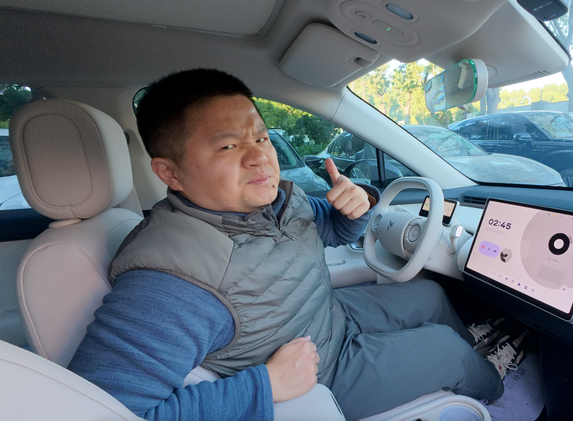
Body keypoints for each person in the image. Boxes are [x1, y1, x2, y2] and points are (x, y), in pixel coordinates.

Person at [68, 68, 505, 421]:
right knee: (448, 351)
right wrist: (263, 386)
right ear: (170, 173)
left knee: (430, 294)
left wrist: (354, 210)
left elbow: (331, 230)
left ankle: (476, 352)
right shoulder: (167, 279)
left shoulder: (277, 201)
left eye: (260, 137)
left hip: (330, 317)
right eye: (228, 145)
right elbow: (101, 411)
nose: (259, 156)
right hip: (323, 374)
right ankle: (498, 385)